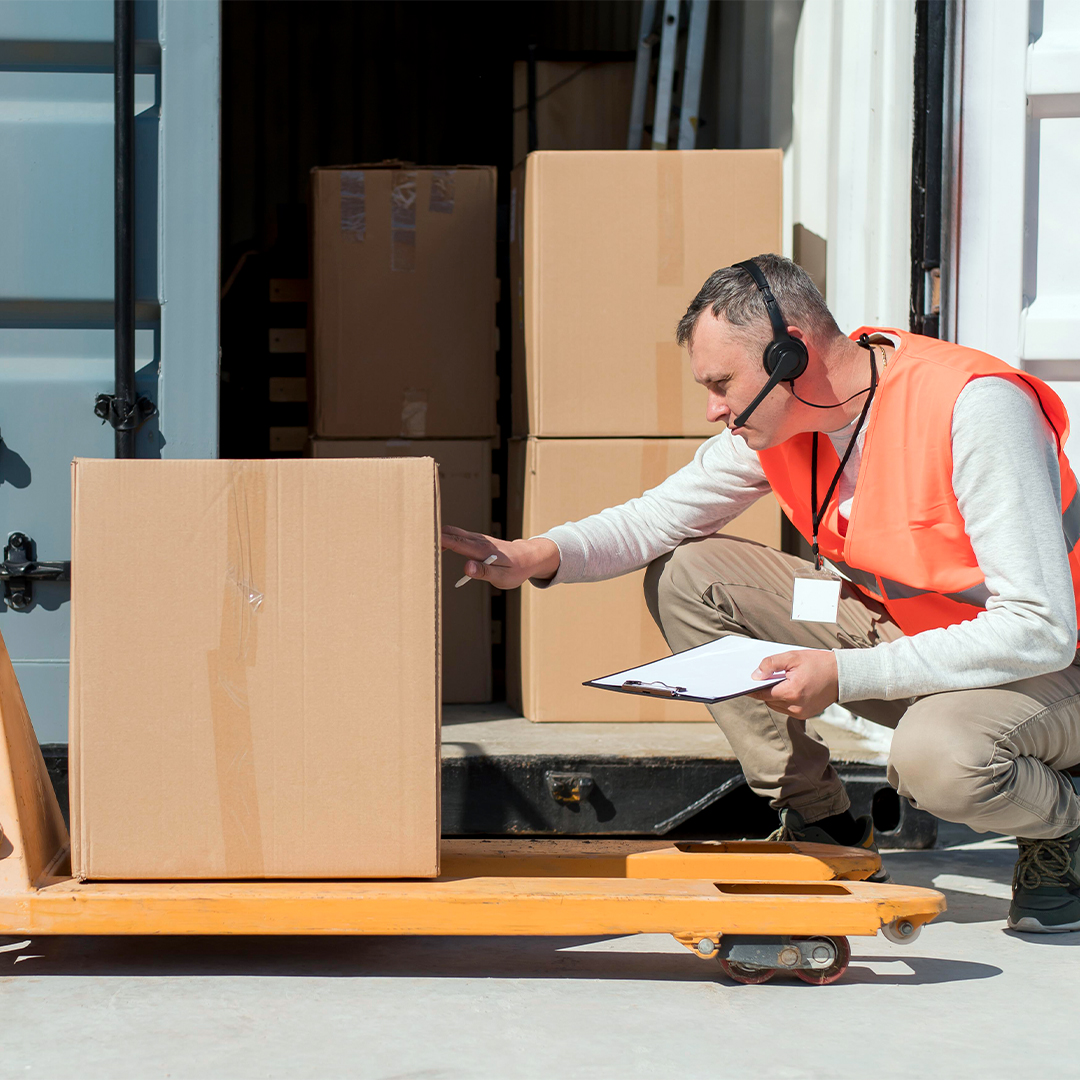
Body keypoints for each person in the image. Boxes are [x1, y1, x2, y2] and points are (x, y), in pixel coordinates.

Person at [441, 254, 1080, 933]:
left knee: (937, 761)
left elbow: (1039, 626)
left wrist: (844, 673)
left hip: (1049, 668)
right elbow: (655, 519)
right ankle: (823, 822)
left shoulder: (973, 407)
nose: (714, 409)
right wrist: (533, 554)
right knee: (689, 574)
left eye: (721, 384)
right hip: (920, 641)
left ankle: (1062, 827)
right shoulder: (781, 424)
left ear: (789, 353)